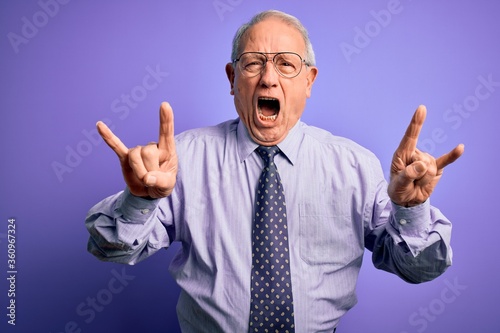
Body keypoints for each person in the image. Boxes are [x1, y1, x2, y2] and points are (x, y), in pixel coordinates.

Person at [85, 9, 464, 332]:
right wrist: (139, 200)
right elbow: (109, 250)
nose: (269, 78)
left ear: (309, 81)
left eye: (286, 64)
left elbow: (419, 269)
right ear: (232, 79)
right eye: (253, 63)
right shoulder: (182, 158)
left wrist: (411, 211)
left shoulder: (354, 167)